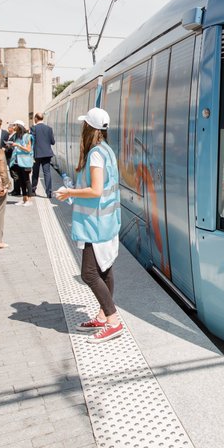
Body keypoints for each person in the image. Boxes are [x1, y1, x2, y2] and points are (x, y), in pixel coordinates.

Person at [56, 107, 124, 343]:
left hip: (95, 223)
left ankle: (113, 321)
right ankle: (103, 315)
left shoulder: (95, 154)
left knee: (88, 273)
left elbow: (95, 190)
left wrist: (69, 192)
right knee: (104, 270)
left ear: (89, 128)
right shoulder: (106, 151)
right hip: (105, 221)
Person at [30, 113, 57, 198]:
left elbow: (31, 141)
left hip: (36, 154)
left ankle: (33, 190)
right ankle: (49, 193)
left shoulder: (33, 128)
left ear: (36, 118)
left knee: (35, 173)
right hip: (47, 154)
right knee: (47, 173)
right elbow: (53, 142)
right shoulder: (49, 129)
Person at [8, 121, 35, 205]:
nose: (13, 127)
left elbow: (28, 149)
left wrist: (18, 146)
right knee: (20, 181)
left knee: (26, 180)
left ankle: (29, 199)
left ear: (19, 126)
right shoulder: (16, 136)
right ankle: (24, 198)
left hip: (25, 161)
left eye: (15, 125)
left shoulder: (27, 136)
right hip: (17, 161)